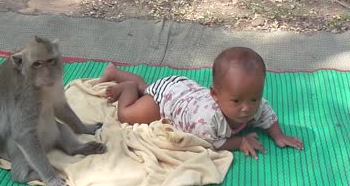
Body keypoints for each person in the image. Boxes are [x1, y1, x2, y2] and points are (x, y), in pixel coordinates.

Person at [95, 47, 304, 159]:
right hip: (166, 100)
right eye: (236, 100)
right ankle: (128, 87)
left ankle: (118, 74)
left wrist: (278, 134)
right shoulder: (207, 120)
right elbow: (213, 143)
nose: (246, 108)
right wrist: (240, 142)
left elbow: (267, 113)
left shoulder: (255, 105)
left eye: (254, 98)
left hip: (183, 89)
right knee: (127, 116)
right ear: (215, 94)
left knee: (148, 87)